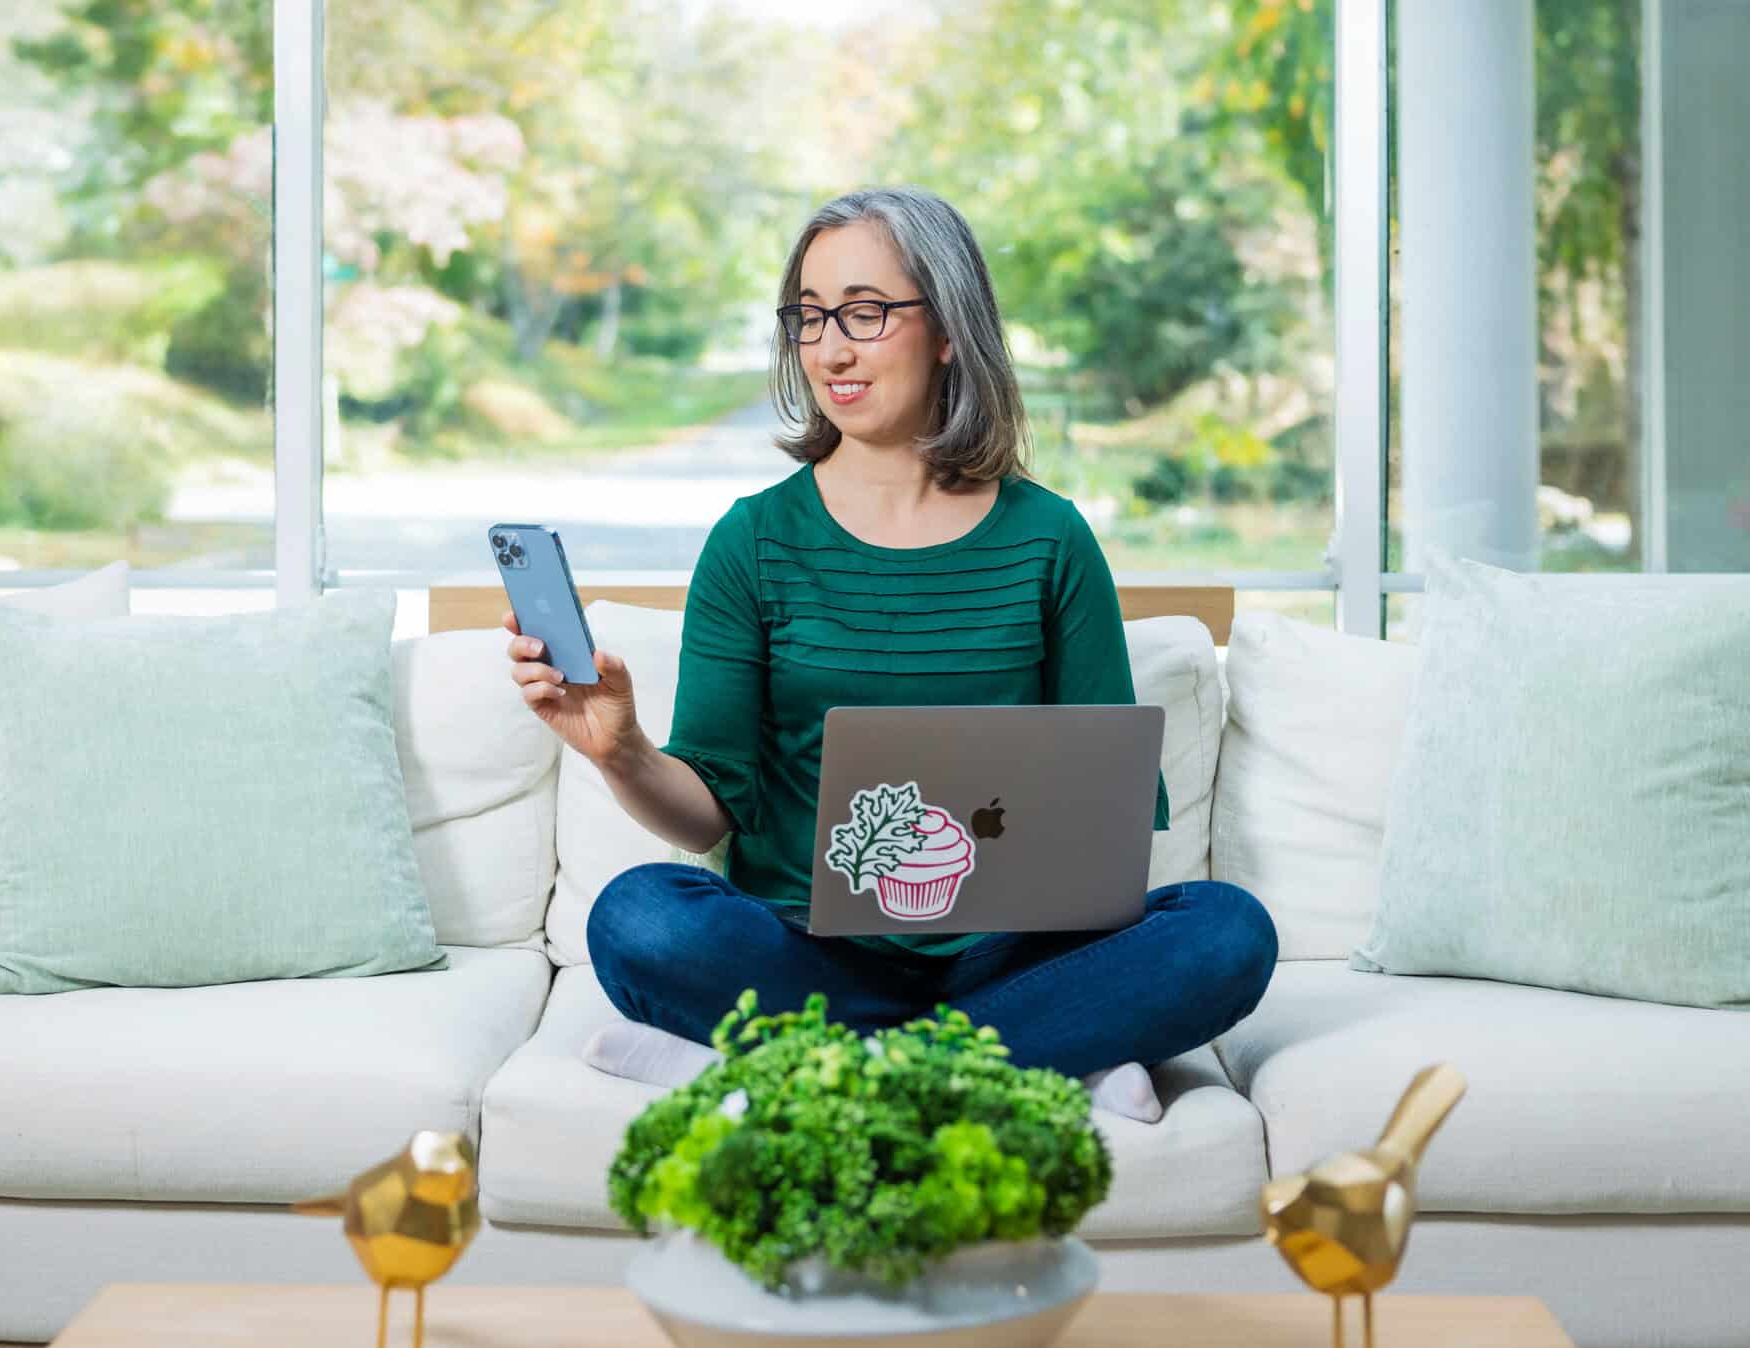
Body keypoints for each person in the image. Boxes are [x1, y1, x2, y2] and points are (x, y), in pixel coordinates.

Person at [505, 186, 1275, 1122]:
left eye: (866, 313)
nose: (832, 348)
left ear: (948, 329)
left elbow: (1107, 814)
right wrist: (618, 750)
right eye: (811, 318)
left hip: (1012, 951)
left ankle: (814, 1069)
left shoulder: (1051, 540)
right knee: (638, 917)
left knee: (1228, 933)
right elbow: (706, 817)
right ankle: (1022, 1058)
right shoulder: (752, 542)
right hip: (809, 956)